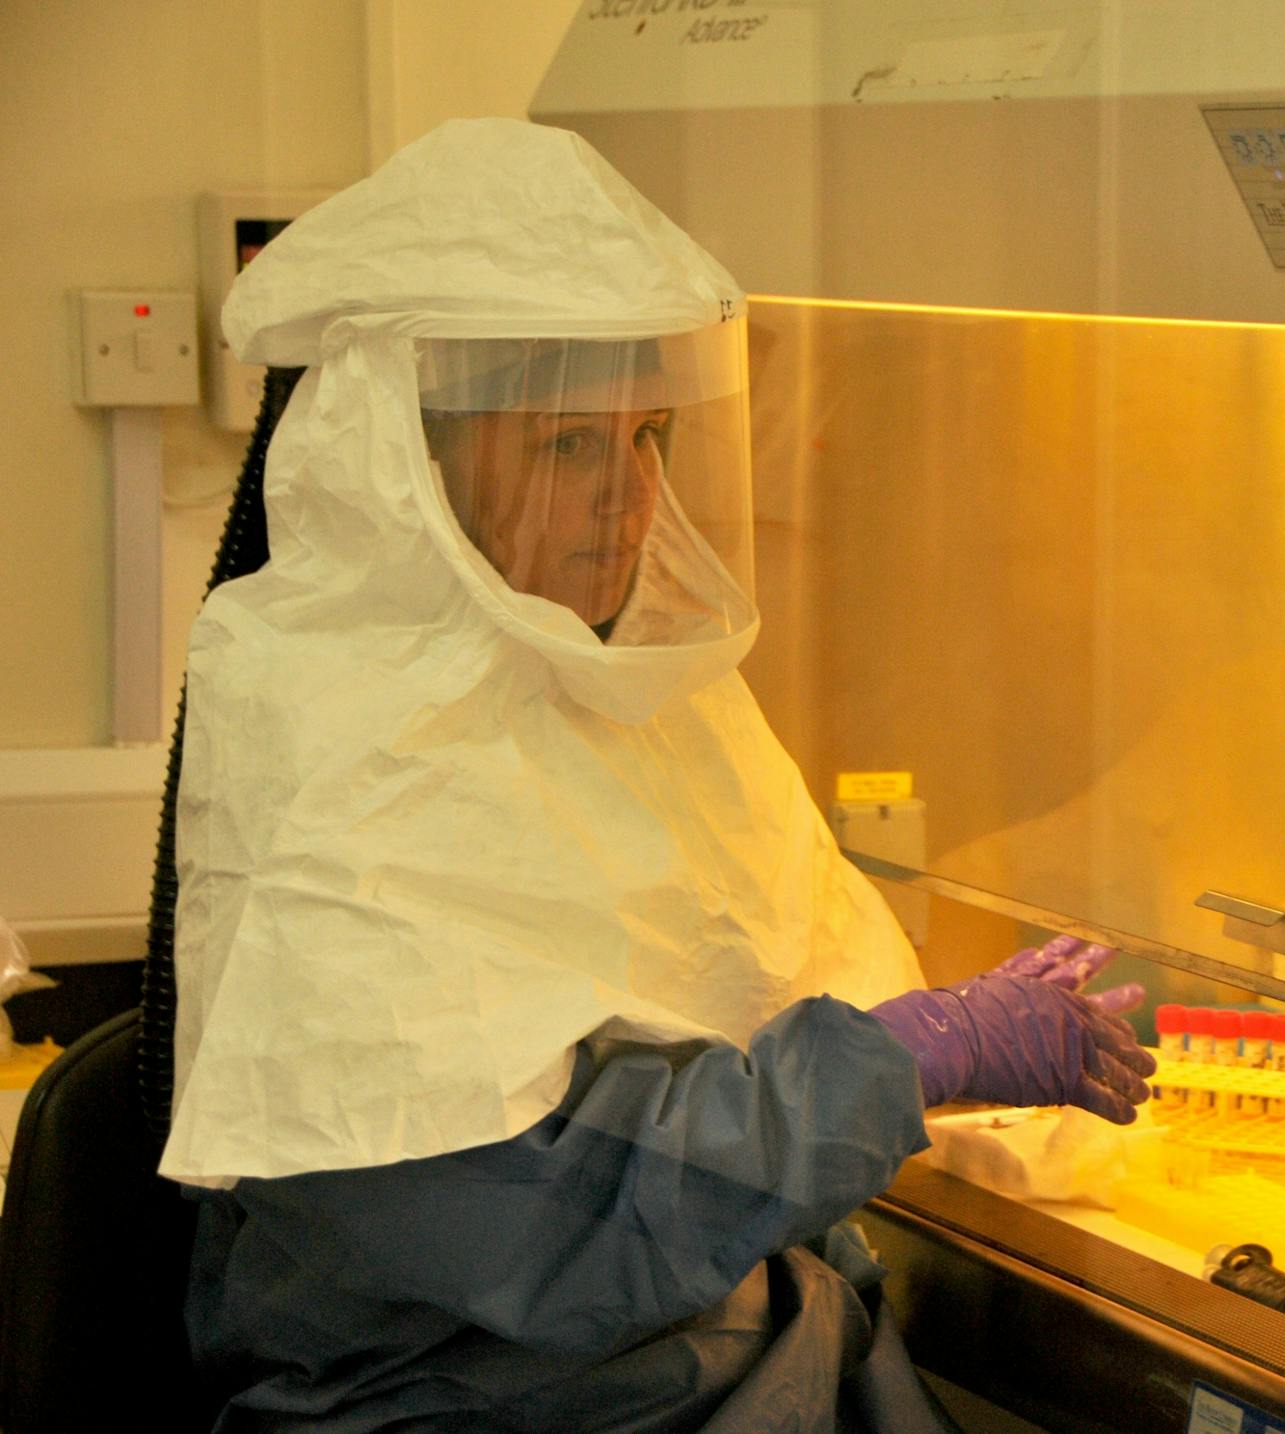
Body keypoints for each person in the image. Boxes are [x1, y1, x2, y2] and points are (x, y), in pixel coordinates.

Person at [160, 118, 1153, 1431]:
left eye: (650, 440)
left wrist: (935, 1054)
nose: (627, 502)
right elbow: (564, 1229)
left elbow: (743, 1016)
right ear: (417, 464)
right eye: (570, 445)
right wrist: (910, 1059)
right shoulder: (336, 743)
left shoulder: (624, 698)